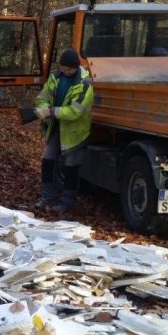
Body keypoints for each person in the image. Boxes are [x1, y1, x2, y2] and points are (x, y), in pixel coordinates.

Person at [33, 48, 94, 212]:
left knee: (70, 166)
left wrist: (51, 112)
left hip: (75, 133)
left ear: (75, 67)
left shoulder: (85, 85)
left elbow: (75, 111)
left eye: (68, 69)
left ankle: (67, 201)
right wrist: (43, 108)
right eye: (63, 68)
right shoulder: (55, 77)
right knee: (47, 160)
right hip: (56, 128)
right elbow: (42, 97)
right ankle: (47, 197)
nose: (65, 71)